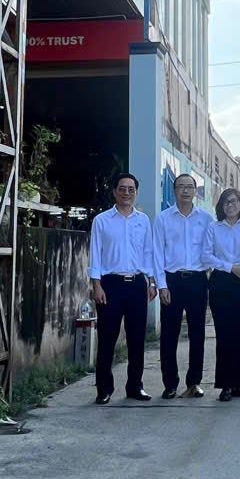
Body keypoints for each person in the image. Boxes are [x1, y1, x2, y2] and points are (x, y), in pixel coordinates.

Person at [88, 172, 156, 405]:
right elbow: (95, 253)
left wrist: (151, 281)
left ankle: (135, 386)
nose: (127, 193)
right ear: (115, 191)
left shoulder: (143, 221)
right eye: (122, 188)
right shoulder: (102, 220)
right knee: (107, 338)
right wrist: (96, 284)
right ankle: (103, 389)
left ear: (136, 193)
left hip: (137, 284)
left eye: (131, 189)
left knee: (137, 339)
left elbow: (148, 252)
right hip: (110, 285)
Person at [154, 173, 215, 399]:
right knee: (169, 334)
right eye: (181, 187)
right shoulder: (163, 218)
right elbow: (157, 253)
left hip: (198, 280)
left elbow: (212, 250)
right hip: (172, 280)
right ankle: (170, 383)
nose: (186, 191)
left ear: (195, 191)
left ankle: (194, 382)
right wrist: (161, 285)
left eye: (190, 187)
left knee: (197, 333)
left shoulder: (206, 219)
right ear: (175, 190)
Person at [203, 188, 240, 402]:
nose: (230, 205)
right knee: (224, 334)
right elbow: (206, 256)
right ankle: (225, 384)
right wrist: (230, 267)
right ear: (221, 206)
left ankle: (238, 383)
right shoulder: (213, 228)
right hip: (221, 281)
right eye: (226, 202)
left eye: (234, 201)